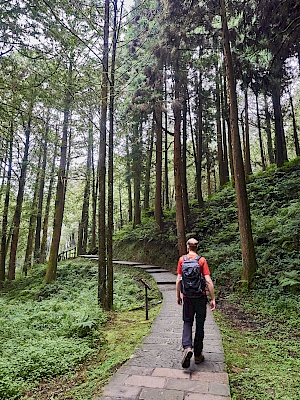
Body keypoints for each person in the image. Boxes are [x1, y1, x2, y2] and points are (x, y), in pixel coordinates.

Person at [176, 238, 216, 368]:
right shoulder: (201, 261)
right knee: (200, 324)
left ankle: (187, 347)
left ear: (188, 247)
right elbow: (208, 281)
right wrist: (213, 298)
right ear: (197, 247)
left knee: (187, 322)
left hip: (187, 297)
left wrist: (178, 296)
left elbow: (178, 280)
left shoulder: (182, 260)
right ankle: (198, 355)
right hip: (200, 297)